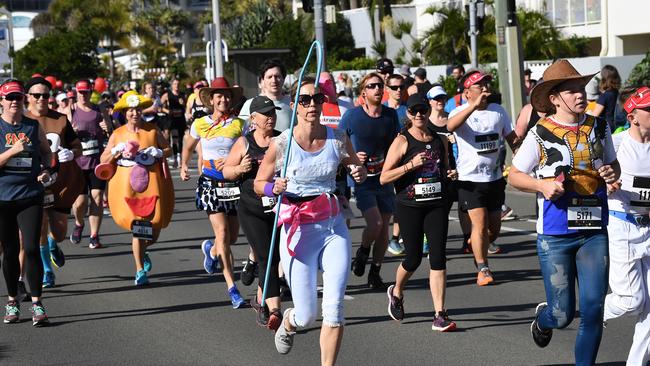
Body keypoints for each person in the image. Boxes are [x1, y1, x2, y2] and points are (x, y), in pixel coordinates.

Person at [508, 60, 620, 366]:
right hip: (556, 234)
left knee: (594, 308)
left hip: (594, 231)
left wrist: (611, 173)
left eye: (581, 88)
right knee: (561, 313)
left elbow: (612, 164)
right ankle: (543, 321)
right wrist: (541, 186)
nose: (580, 94)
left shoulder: (599, 125)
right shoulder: (540, 132)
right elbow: (514, 175)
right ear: (555, 98)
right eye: (571, 90)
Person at [253, 76, 366, 364]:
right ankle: (289, 322)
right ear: (295, 106)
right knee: (306, 315)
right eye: (305, 100)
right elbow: (258, 183)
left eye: (316, 99)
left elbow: (356, 167)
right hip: (297, 231)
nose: (312, 104)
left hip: (332, 227)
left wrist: (359, 173)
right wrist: (272, 187)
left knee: (334, 308)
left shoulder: (338, 137)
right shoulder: (282, 144)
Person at [381, 93, 457, 331]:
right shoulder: (402, 140)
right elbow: (384, 177)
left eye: (422, 110)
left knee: (438, 258)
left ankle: (439, 314)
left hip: (436, 204)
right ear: (408, 115)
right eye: (414, 111)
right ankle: (397, 291)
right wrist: (409, 165)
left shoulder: (440, 140)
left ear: (428, 111)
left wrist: (449, 176)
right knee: (412, 258)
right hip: (409, 206)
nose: (419, 115)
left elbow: (444, 169)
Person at [446, 70, 519, 286]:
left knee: (493, 229)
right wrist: (472, 106)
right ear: (468, 92)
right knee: (479, 224)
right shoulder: (459, 112)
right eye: (480, 85)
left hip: (494, 179)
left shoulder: (498, 111)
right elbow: (450, 127)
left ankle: (478, 242)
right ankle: (483, 268)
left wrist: (520, 153)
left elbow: (512, 139)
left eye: (487, 83)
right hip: (469, 180)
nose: (486, 88)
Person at [180, 77, 247, 308]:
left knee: (232, 237)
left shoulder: (239, 124)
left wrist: (232, 162)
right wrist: (183, 166)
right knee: (223, 232)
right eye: (219, 95)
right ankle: (232, 287)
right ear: (211, 99)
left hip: (233, 185)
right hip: (210, 183)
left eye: (227, 95)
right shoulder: (199, 124)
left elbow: (247, 150)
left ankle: (211, 249)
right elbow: (188, 146)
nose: (223, 99)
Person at [99, 91, 175, 285]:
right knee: (138, 229)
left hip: (152, 185)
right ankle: (140, 270)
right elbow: (104, 159)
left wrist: (158, 151)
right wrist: (116, 151)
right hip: (127, 188)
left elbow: (168, 149)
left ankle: (143, 249)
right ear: (125, 112)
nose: (135, 113)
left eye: (138, 109)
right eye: (131, 110)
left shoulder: (152, 130)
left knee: (154, 230)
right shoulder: (117, 134)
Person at [223, 95, 283, 330]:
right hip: (251, 209)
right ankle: (275, 308)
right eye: (266, 114)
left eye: (273, 113)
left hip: (278, 208)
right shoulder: (244, 143)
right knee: (266, 257)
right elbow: (227, 171)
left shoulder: (281, 139)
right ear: (254, 119)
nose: (271, 117)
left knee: (274, 258)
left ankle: (260, 300)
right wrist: (240, 168)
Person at [602, 86, 650, 365]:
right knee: (631, 301)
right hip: (623, 227)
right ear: (632, 116)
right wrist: (605, 183)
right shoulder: (616, 145)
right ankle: (589, 313)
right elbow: (591, 178)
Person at [0, 80, 53, 326]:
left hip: (30, 195)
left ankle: (36, 302)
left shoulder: (32, 126)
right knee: (10, 252)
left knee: (31, 248)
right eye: (10, 98)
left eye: (18, 98)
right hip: (2, 198)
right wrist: (12, 151)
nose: (14, 102)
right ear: (1, 101)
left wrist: (46, 170)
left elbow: (47, 152)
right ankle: (12, 300)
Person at [24, 77, 84, 288]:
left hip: (59, 184)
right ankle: (47, 271)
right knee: (39, 226)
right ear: (27, 97)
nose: (42, 99)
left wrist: (71, 153)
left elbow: (78, 147)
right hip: (32, 185)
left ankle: (52, 245)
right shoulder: (21, 120)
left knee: (58, 234)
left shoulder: (60, 119)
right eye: (37, 95)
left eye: (46, 95)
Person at [342, 72, 400, 290]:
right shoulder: (352, 116)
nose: (378, 89)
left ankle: (375, 271)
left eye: (380, 85)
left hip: (385, 178)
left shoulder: (390, 115)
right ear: (363, 92)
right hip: (363, 179)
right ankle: (363, 250)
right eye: (372, 86)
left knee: (384, 228)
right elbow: (339, 145)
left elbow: (397, 142)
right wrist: (354, 157)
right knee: (374, 223)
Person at [70, 80, 110, 249]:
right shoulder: (70, 110)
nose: (83, 95)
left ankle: (94, 235)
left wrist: (106, 126)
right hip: (78, 164)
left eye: (86, 92)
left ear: (90, 91)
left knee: (98, 198)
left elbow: (110, 130)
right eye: (80, 92)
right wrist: (70, 132)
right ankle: (79, 224)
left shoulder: (99, 109)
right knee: (80, 203)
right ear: (76, 92)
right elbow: (62, 135)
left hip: (96, 162)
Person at [238, 58, 292, 132]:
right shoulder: (250, 104)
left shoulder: (292, 102)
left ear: (283, 79)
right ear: (263, 80)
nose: (274, 80)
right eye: (269, 77)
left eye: (277, 76)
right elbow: (241, 130)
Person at [161, 78, 186, 168]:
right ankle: (176, 159)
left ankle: (180, 159)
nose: (177, 86)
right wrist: (167, 111)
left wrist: (183, 104)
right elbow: (160, 107)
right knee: (175, 139)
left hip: (181, 119)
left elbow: (186, 106)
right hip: (172, 120)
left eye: (178, 84)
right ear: (172, 85)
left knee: (180, 140)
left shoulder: (183, 95)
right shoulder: (167, 95)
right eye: (175, 84)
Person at [591, 65, 622, 132]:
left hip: (607, 128)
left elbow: (594, 116)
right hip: (618, 126)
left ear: (604, 78)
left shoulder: (604, 96)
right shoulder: (617, 93)